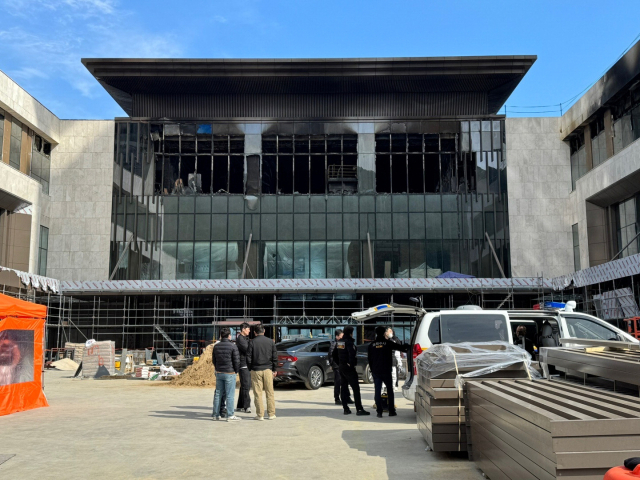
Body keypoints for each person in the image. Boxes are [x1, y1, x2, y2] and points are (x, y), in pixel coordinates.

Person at [368, 326, 409, 418]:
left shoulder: (371, 345)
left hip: (376, 371)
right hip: (386, 370)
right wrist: (408, 346)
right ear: (384, 333)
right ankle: (391, 410)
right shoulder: (388, 343)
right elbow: (400, 348)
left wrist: (372, 370)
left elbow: (369, 359)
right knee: (390, 390)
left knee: (377, 390)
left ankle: (379, 411)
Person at [333, 326, 370, 416]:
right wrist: (351, 364)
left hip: (341, 367)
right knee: (356, 388)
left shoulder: (340, 342)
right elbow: (352, 354)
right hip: (349, 368)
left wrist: (340, 363)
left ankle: (346, 408)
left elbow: (334, 354)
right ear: (351, 333)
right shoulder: (349, 342)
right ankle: (359, 409)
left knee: (344, 387)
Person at [247, 324, 278, 421]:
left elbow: (248, 357)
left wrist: (250, 368)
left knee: (258, 393)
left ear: (254, 332)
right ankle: (271, 414)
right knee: (270, 392)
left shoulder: (252, 342)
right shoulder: (270, 342)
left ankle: (260, 415)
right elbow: (275, 357)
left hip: (256, 370)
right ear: (264, 331)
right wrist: (274, 369)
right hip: (268, 369)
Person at [212, 327, 242, 422]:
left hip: (219, 372)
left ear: (221, 336)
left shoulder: (216, 346)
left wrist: (217, 368)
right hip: (230, 372)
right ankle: (230, 415)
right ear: (229, 336)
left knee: (218, 394)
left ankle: (216, 414)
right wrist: (236, 371)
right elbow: (236, 361)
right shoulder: (233, 346)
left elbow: (214, 360)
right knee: (230, 395)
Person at [328, 329, 353, 406]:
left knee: (345, 381)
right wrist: (332, 364)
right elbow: (330, 354)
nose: (343, 337)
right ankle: (337, 398)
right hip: (337, 366)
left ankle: (347, 397)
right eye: (341, 336)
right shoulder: (334, 344)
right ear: (337, 336)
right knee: (338, 382)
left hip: (343, 365)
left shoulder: (342, 343)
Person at [236, 323, 252, 413]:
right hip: (243, 364)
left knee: (244, 385)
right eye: (248, 329)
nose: (249, 331)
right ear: (243, 329)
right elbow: (248, 350)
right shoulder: (240, 339)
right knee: (246, 385)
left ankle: (240, 405)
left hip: (246, 364)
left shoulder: (245, 338)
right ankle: (247, 406)